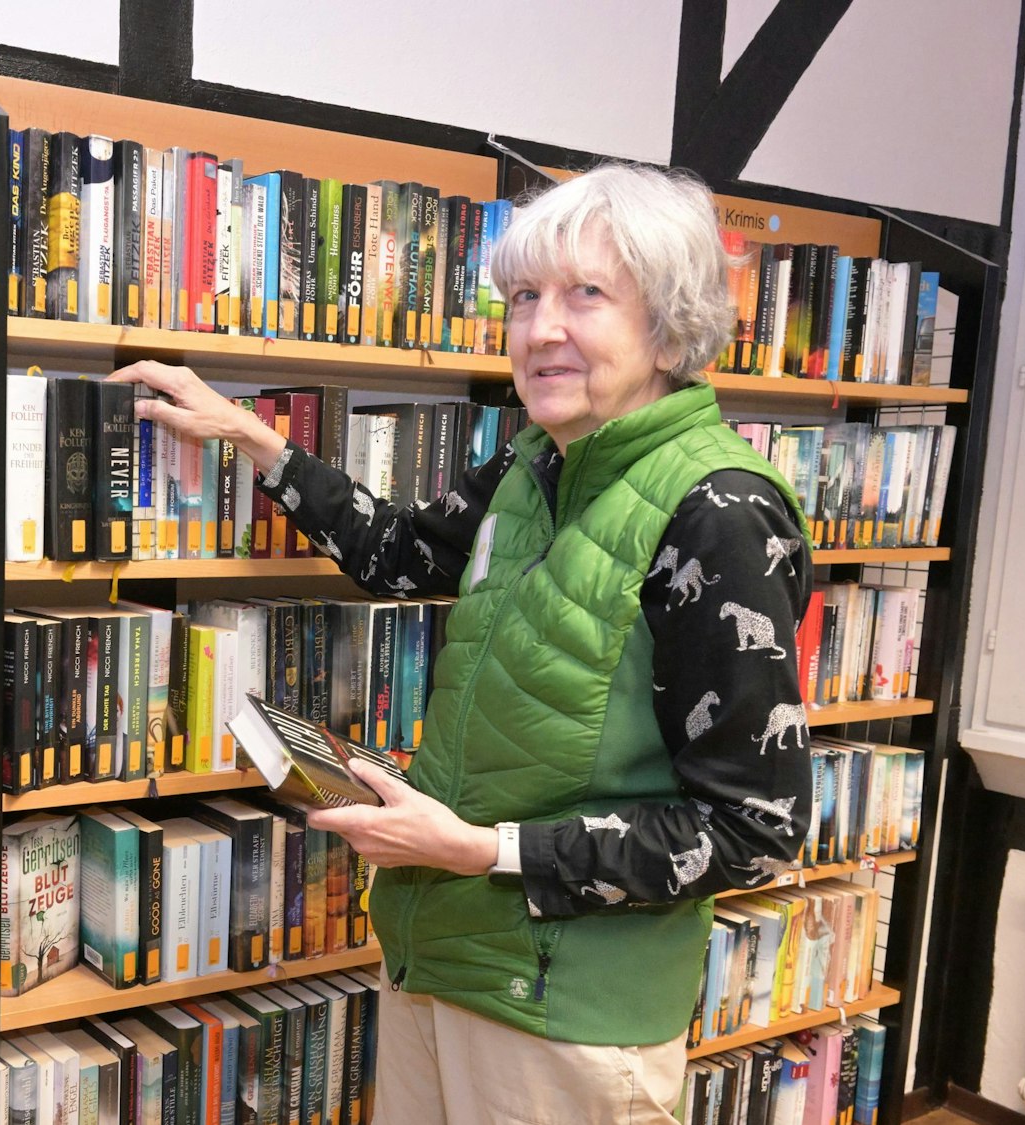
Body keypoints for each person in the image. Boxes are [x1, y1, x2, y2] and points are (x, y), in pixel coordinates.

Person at [108, 163, 814, 1124]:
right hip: (438, 959)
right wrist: (247, 433)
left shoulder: (720, 510)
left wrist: (483, 850)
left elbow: (754, 829)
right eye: (524, 297)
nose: (540, 329)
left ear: (668, 320)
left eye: (585, 294)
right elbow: (399, 555)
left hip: (567, 1017)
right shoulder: (536, 462)